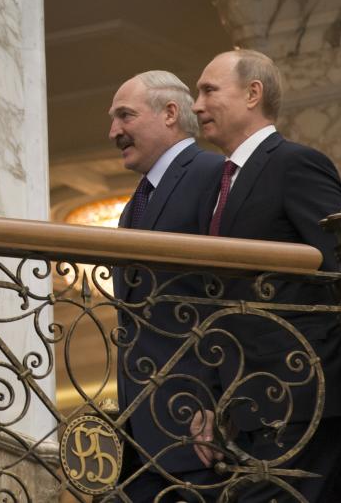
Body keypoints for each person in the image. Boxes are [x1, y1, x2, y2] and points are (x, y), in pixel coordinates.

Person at [189, 49, 341, 501]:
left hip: (304, 396)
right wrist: (210, 397)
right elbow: (220, 302)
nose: (197, 105)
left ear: (253, 94)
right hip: (247, 406)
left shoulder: (296, 164)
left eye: (208, 90)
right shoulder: (217, 190)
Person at [107, 71, 224, 500]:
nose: (113, 131)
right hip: (143, 440)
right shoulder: (131, 208)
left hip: (198, 430)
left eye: (125, 116)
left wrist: (218, 404)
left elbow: (227, 296)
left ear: (170, 113)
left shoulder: (212, 173)